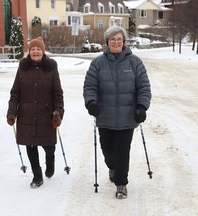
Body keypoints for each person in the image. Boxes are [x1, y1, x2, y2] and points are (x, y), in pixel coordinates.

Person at [83, 26, 151, 199]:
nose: (116, 42)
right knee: (108, 151)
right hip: (104, 116)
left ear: (124, 42)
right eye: (112, 39)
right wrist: (91, 103)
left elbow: (144, 87)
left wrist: (142, 107)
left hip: (127, 117)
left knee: (122, 151)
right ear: (107, 42)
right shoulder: (97, 63)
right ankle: (112, 167)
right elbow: (90, 87)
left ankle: (121, 184)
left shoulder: (135, 62)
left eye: (119, 39)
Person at [6, 36, 64, 188]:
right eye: (33, 49)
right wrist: (11, 112)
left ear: (43, 51)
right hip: (26, 115)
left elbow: (58, 93)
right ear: (29, 51)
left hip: (47, 115)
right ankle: (37, 175)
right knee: (30, 146)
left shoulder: (51, 68)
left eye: (38, 49)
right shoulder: (23, 68)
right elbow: (15, 93)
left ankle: (50, 161)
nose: (35, 51)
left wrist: (58, 112)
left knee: (49, 146)